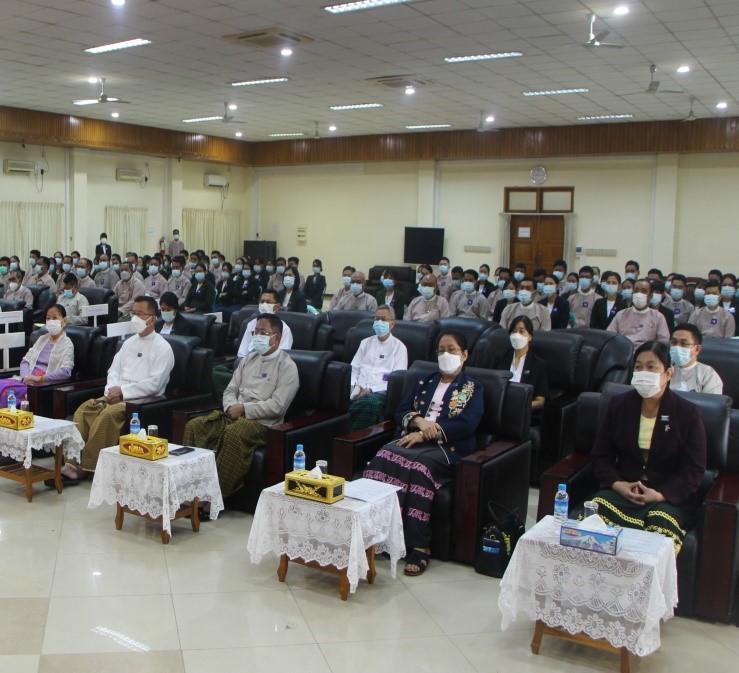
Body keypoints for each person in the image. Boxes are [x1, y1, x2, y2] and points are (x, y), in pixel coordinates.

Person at [364, 331, 484, 576]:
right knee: (382, 457)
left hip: (447, 448)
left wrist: (426, 434)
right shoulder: (424, 381)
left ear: (464, 354)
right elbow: (401, 411)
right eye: (441, 350)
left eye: (451, 349)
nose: (445, 354)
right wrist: (418, 422)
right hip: (412, 439)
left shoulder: (472, 387)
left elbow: (468, 423)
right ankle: (378, 535)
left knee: (418, 467)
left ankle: (420, 546)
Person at [591, 340, 707, 554]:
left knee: (659, 523)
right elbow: (601, 456)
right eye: (638, 367)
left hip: (667, 497)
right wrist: (618, 485)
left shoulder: (687, 413)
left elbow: (694, 469)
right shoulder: (618, 405)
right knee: (596, 514)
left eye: (651, 367)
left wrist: (661, 494)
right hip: (625, 490)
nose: (643, 372)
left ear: (668, 373)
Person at [183, 313, 299, 499]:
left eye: (263, 333)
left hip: (263, 424)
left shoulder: (287, 367)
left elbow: (277, 406)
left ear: (276, 338)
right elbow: (230, 390)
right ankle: (189, 487)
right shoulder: (248, 360)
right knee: (195, 426)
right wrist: (231, 408)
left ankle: (213, 497)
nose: (257, 336)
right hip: (233, 415)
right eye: (255, 332)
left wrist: (244, 409)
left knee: (233, 433)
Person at [65, 297, 175, 479]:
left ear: (153, 318)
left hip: (137, 400)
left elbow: (155, 384)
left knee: (107, 416)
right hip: (114, 394)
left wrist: (123, 392)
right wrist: (111, 390)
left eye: (140, 314)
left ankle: (90, 467)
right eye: (133, 313)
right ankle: (71, 462)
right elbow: (113, 370)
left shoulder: (163, 347)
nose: (135, 318)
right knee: (84, 410)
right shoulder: (129, 342)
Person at [0, 304, 74, 406]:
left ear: (64, 321)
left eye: (54, 318)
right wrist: (26, 377)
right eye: (48, 318)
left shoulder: (67, 344)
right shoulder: (42, 339)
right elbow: (25, 361)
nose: (51, 321)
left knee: (7, 392)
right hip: (27, 381)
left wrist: (40, 378)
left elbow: (66, 372)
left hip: (45, 385)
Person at [349, 305, 408, 431]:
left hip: (379, 393)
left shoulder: (399, 348)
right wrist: (353, 386)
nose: (379, 322)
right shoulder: (365, 342)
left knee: (369, 403)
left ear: (392, 324)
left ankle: (353, 437)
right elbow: (353, 369)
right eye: (377, 319)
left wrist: (369, 390)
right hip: (356, 389)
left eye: (383, 319)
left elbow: (396, 381)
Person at [493, 316, 548, 411]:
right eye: (513, 331)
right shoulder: (500, 357)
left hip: (523, 411)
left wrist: (520, 407)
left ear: (530, 336)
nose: (516, 335)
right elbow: (492, 386)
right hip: (499, 408)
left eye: (521, 331)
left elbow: (540, 401)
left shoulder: (538, 364)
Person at [608, 279, 670, 348]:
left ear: (650, 296)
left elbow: (663, 342)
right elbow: (610, 336)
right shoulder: (621, 314)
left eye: (644, 291)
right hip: (623, 351)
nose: (639, 294)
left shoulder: (658, 317)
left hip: (647, 352)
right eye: (636, 290)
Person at [669, 324, 723, 394]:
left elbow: (711, 400)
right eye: (674, 342)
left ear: (697, 349)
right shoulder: (664, 369)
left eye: (683, 343)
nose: (677, 347)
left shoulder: (708, 374)